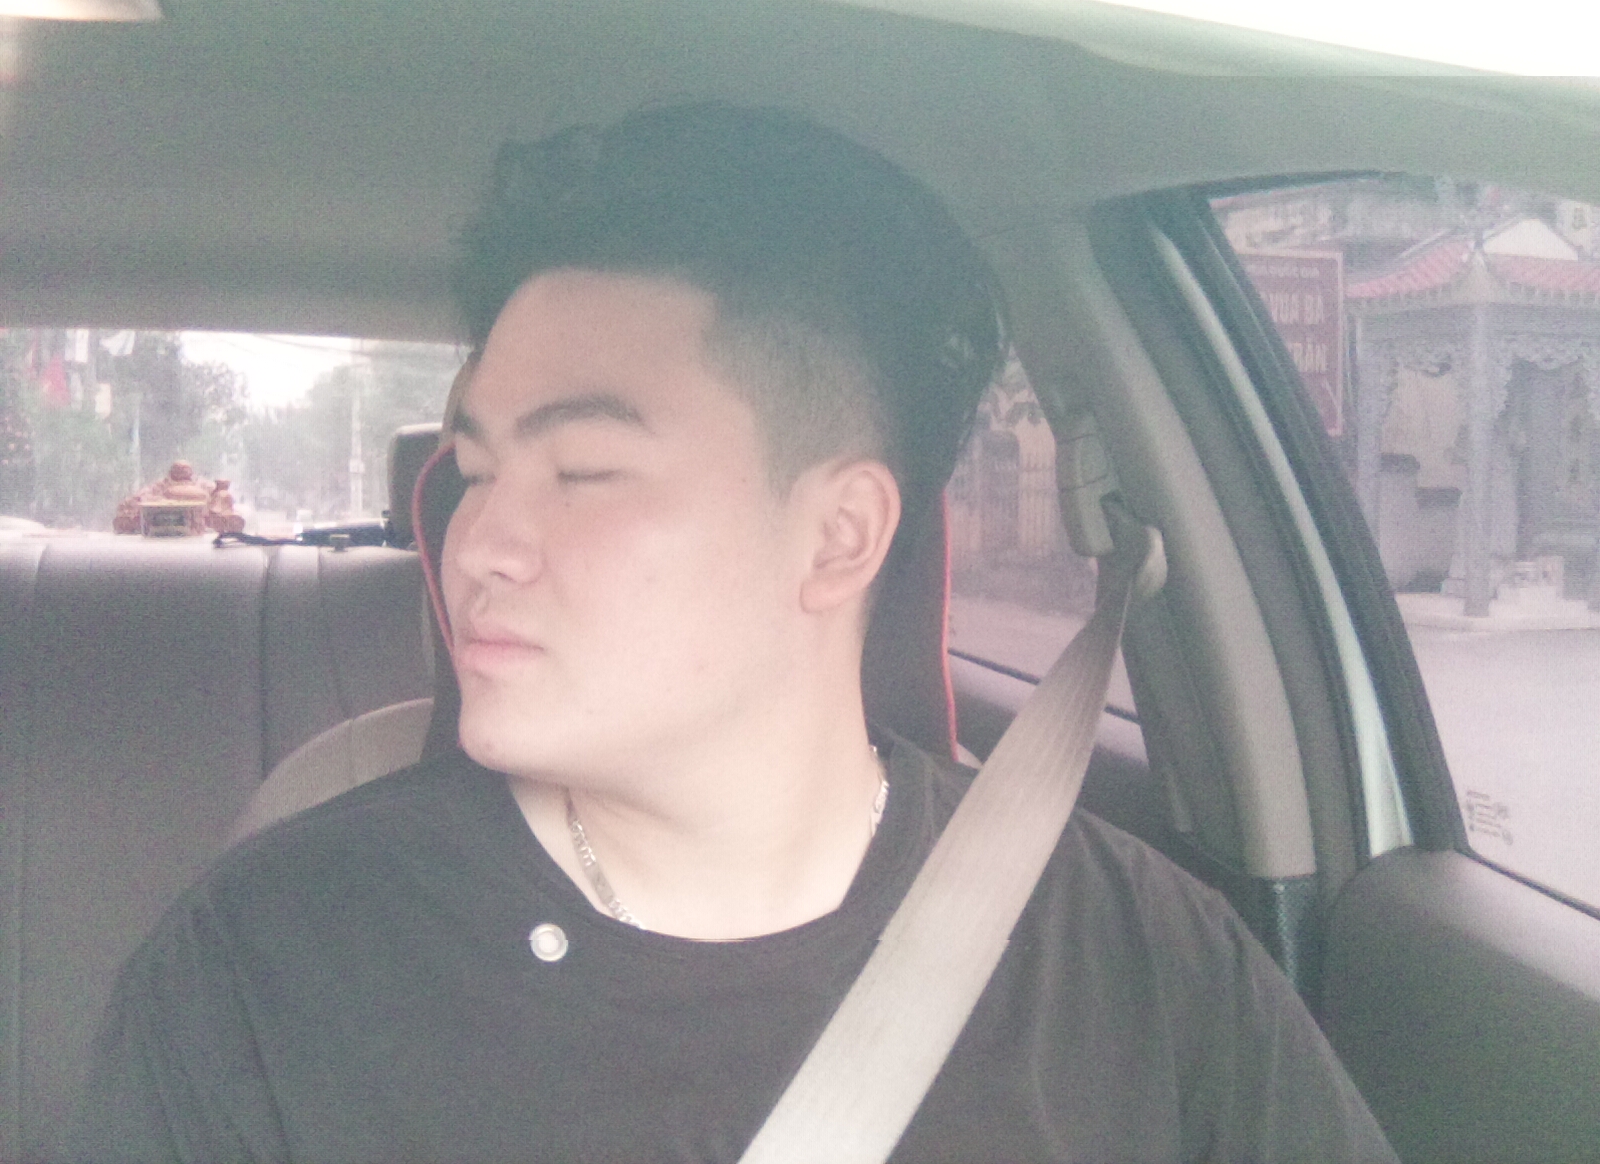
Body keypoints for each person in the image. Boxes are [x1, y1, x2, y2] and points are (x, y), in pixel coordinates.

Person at [76, 104, 1397, 1163]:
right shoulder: (270, 968)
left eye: (583, 472)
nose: (474, 544)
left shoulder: (1144, 971)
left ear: (837, 538)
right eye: (474, 470)